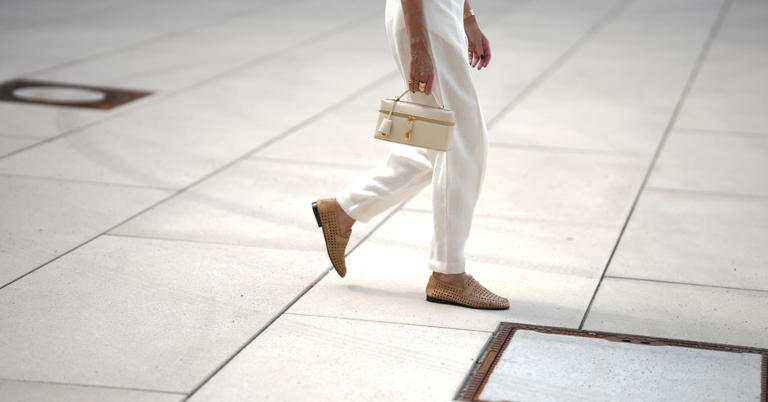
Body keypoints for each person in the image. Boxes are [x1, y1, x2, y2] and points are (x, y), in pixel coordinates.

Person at [311, 0, 509, 310]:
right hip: (425, 20)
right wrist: (419, 45)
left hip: (439, 16)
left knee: (434, 145)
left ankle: (344, 210)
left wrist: (467, 17)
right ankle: (448, 274)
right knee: (464, 145)